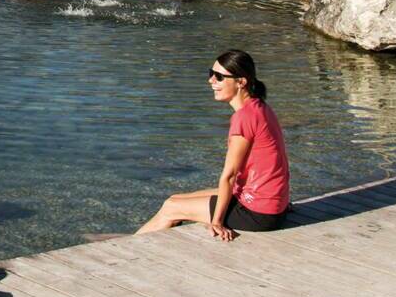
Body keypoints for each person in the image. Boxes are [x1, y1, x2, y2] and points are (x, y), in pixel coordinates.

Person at [109, 49, 290, 241]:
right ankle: (140, 236)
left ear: (241, 82)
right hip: (269, 205)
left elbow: (229, 176)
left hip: (257, 214)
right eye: (210, 74)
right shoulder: (260, 107)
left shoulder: (244, 118)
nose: (211, 81)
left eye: (219, 77)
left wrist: (217, 221)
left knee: (172, 208)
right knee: (174, 199)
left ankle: (126, 245)